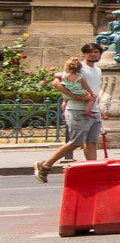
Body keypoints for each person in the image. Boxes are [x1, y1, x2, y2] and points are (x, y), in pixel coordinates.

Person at [34, 44, 105, 182]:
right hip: (77, 110)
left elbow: (95, 90)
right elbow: (56, 82)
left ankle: (93, 172)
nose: (93, 54)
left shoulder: (97, 70)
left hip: (93, 110)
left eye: (96, 52)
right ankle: (45, 165)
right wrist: (75, 96)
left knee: (91, 142)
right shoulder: (78, 68)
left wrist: (99, 108)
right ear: (84, 54)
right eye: (89, 52)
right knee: (76, 142)